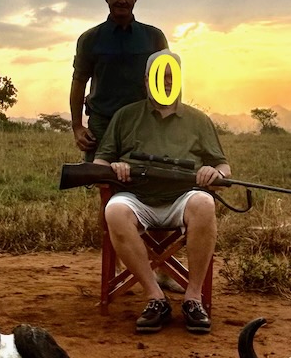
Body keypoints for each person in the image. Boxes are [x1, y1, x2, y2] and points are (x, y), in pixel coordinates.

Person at [93, 50, 230, 335]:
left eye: (171, 76)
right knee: (114, 210)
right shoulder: (125, 116)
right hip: (136, 198)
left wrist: (214, 173)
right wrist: (114, 168)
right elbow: (100, 163)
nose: (166, 82)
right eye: (159, 77)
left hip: (182, 199)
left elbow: (223, 166)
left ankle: (193, 299)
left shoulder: (199, 120)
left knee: (204, 203)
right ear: (146, 81)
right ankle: (155, 297)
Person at [70, 0, 168, 162]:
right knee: (100, 174)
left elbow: (167, 80)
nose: (122, 0)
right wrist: (77, 126)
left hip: (144, 124)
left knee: (142, 174)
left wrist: (167, 122)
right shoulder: (90, 39)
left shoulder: (154, 37)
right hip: (102, 124)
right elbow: (79, 81)